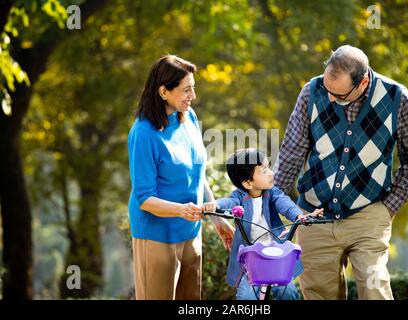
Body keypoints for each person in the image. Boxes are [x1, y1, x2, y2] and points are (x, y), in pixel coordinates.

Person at [273, 45, 408, 300]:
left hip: (368, 212)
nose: (332, 99)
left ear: (363, 81)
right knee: (318, 295)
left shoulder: (397, 98)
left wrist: (388, 207)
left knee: (374, 287)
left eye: (341, 95)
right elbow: (292, 152)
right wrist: (271, 202)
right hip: (313, 215)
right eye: (328, 91)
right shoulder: (311, 92)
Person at [128, 55, 234, 300]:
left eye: (193, 88)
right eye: (186, 90)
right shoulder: (143, 134)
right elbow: (144, 198)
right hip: (157, 238)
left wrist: (215, 217)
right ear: (163, 91)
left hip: (190, 234)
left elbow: (197, 174)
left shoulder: (188, 117)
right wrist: (180, 210)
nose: (193, 96)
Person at [204, 148, 323, 300]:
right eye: (264, 170)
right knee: (247, 297)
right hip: (250, 261)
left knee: (288, 293)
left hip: (276, 256)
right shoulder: (239, 197)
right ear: (248, 183)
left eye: (269, 168)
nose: (271, 173)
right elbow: (229, 202)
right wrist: (214, 205)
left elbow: (284, 203)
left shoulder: (272, 193)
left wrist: (298, 216)